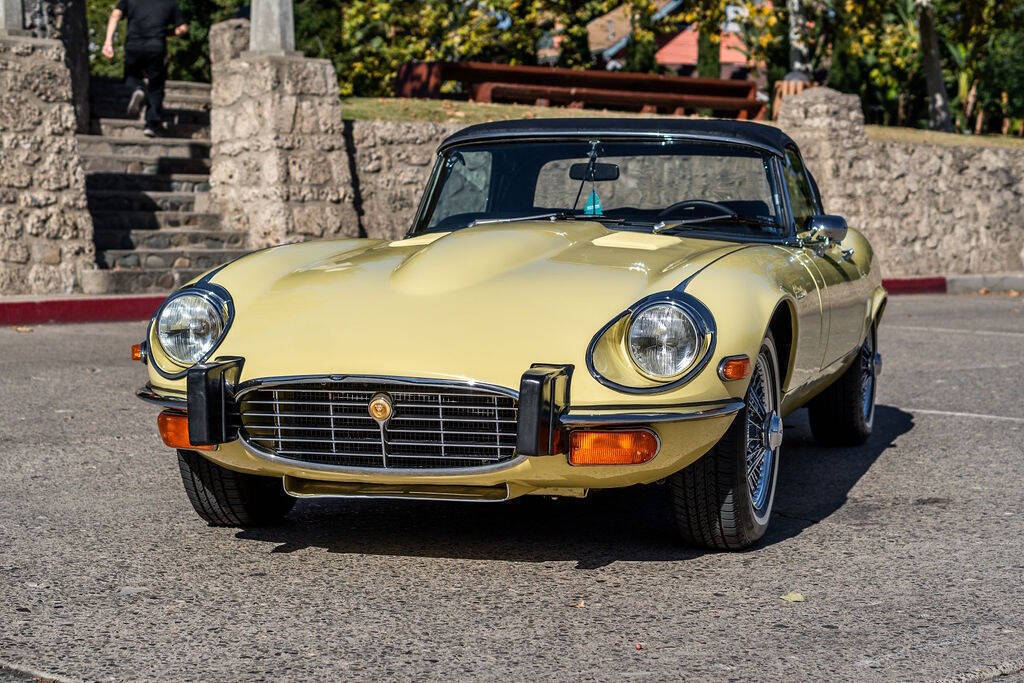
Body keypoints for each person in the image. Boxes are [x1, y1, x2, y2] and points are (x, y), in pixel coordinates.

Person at [101, 0, 188, 137]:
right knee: (156, 85)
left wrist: (108, 41)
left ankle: (137, 89)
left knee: (131, 76)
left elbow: (115, 15)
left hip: (133, 45)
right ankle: (151, 124)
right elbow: (182, 28)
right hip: (156, 47)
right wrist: (167, 32)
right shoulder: (169, 3)